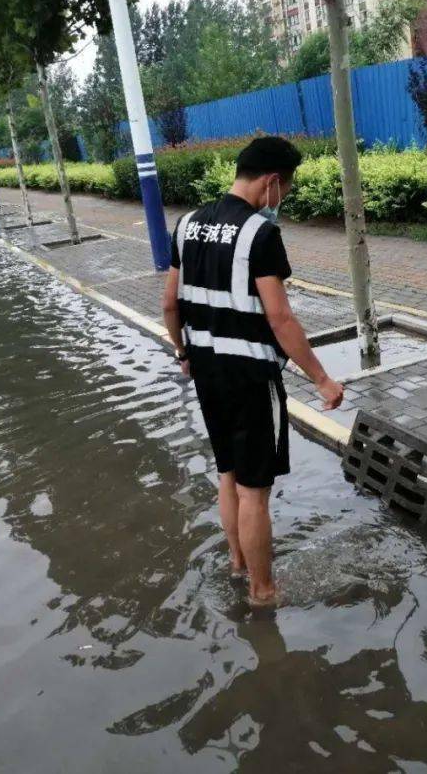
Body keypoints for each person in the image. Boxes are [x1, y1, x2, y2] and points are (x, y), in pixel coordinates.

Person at [162, 136, 344, 606]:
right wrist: (321, 378)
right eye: (287, 188)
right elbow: (280, 318)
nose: (284, 197)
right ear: (271, 182)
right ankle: (263, 593)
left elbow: (169, 303)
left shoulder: (186, 225)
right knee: (254, 492)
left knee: (228, 474)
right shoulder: (260, 234)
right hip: (248, 376)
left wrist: (183, 352)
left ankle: (237, 563)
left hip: (205, 370)